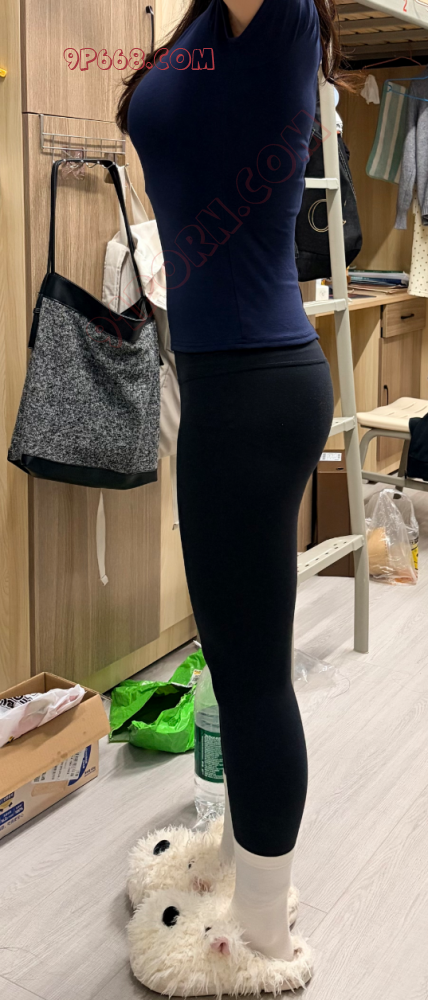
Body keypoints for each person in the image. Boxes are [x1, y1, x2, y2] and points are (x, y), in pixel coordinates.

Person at [118, 0, 341, 990]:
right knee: (238, 660)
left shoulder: (277, 16)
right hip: (229, 381)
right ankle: (241, 860)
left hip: (251, 389)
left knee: (250, 682)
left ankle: (260, 940)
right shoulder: (210, 26)